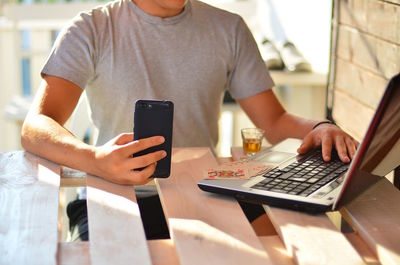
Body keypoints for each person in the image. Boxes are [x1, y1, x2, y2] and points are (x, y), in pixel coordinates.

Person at [21, 0, 358, 240]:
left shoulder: (229, 29)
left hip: (205, 195)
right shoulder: (91, 28)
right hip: (115, 197)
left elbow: (275, 120)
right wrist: (94, 160)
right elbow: (36, 126)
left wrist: (319, 127)